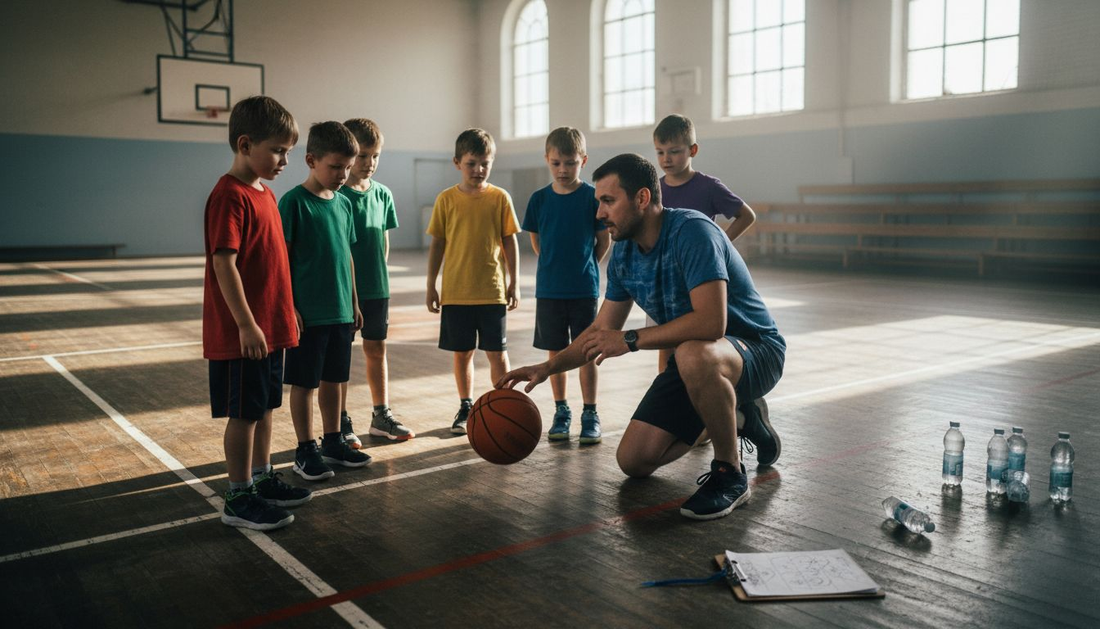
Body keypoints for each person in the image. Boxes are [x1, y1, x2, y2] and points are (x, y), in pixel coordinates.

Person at [497, 153, 785, 521]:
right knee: (633, 461)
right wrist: (547, 367)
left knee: (694, 353)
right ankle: (741, 417)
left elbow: (712, 323)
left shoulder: (693, 233)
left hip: (756, 350)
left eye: (608, 201)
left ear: (643, 199)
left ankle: (730, 473)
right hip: (700, 362)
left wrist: (630, 339)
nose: (599, 213)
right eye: (599, 201)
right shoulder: (624, 255)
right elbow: (601, 331)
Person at [203, 95, 311, 530]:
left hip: (271, 326)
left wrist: (289, 310)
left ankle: (263, 479)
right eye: (278, 150)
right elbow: (223, 262)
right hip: (244, 332)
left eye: (288, 150)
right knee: (244, 414)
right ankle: (238, 495)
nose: (286, 159)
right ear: (245, 144)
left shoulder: (265, 193)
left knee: (265, 407)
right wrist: (246, 323)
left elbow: (273, 262)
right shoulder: (228, 196)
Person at [279, 121, 370, 481]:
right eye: (335, 167)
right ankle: (305, 449)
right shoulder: (293, 203)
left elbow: (346, 256)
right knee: (305, 384)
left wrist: (355, 302)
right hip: (308, 316)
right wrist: (290, 306)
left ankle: (332, 441)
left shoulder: (344, 205)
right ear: (311, 160)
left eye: (348, 167)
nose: (342, 174)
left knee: (335, 380)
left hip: (341, 313)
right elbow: (282, 260)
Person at [426, 128, 521, 434]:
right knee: (462, 353)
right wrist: (431, 284)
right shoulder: (446, 200)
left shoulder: (500, 198)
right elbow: (438, 243)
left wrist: (513, 281)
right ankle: (466, 405)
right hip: (456, 293)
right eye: (471, 163)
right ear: (457, 162)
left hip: (491, 292)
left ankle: (505, 403)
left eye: (485, 163)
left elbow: (509, 242)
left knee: (497, 353)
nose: (478, 170)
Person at [522, 127, 610, 443]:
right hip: (549, 291)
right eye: (557, 163)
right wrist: (554, 267)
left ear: (583, 161)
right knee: (556, 354)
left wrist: (585, 268)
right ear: (547, 159)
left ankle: (590, 412)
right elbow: (537, 242)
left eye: (570, 163)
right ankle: (561, 411)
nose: (563, 170)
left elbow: (604, 240)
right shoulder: (539, 200)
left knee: (586, 353)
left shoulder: (591, 197)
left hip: (584, 289)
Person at [653, 114, 757, 373]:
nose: (667, 158)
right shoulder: (654, 189)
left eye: (674, 151)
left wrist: (721, 244)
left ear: (693, 150)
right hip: (666, 278)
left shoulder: (708, 187)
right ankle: (665, 395)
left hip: (699, 279)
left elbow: (747, 215)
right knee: (664, 340)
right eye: (660, 152)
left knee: (698, 339)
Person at [337, 118, 414, 445]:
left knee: (376, 351)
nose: (369, 163)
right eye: (363, 155)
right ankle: (339, 420)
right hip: (343, 292)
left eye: (375, 156)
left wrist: (377, 280)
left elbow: (382, 241)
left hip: (376, 290)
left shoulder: (383, 194)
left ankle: (380, 415)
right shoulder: (336, 195)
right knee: (339, 357)